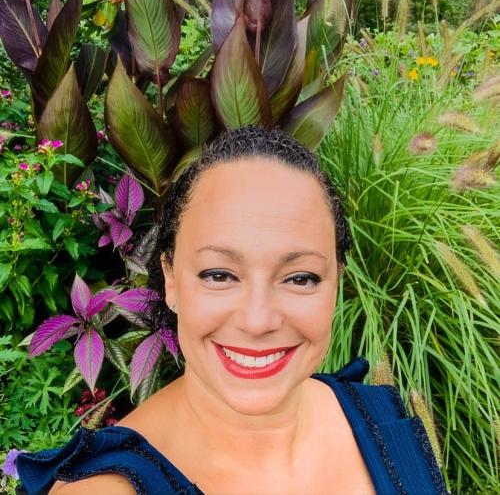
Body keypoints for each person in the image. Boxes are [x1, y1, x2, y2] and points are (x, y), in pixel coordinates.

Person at [16, 126, 446, 494]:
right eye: (219, 275)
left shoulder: (384, 419)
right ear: (170, 279)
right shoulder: (105, 489)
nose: (257, 321)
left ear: (336, 283)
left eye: (300, 278)